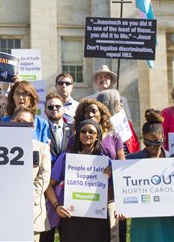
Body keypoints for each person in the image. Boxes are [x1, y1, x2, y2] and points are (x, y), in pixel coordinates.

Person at [44, 119, 111, 242]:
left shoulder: (105, 163)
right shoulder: (65, 158)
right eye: (83, 131)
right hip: (70, 218)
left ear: (97, 136)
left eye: (91, 132)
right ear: (78, 134)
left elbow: (114, 193)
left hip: (98, 219)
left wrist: (110, 177)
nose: (87, 135)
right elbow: (48, 186)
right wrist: (57, 206)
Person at [73, 98, 124, 242]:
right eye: (86, 112)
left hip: (109, 195)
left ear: (101, 114)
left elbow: (122, 164)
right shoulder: (76, 137)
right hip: (84, 195)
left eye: (93, 111)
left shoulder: (114, 136)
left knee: (112, 235)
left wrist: (112, 170)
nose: (89, 114)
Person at [126, 109, 174, 242]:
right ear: (142, 138)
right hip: (142, 221)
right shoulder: (130, 161)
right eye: (147, 142)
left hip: (168, 220)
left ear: (164, 137)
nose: (152, 147)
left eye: (156, 143)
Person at [11, 107, 51, 241]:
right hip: (6, 211)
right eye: (19, 121)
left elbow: (43, 178)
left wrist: (24, 196)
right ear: (12, 122)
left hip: (31, 210)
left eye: (26, 122)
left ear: (33, 126)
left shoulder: (42, 148)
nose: (22, 125)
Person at [97, 89, 140, 155]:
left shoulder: (127, 123)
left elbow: (136, 146)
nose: (122, 104)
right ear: (111, 103)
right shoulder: (97, 127)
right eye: (119, 101)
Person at [44, 93, 73, 165]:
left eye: (58, 106)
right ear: (45, 111)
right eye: (50, 107)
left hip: (68, 171)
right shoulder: (42, 129)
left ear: (63, 110)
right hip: (48, 172)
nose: (54, 108)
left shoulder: (73, 129)